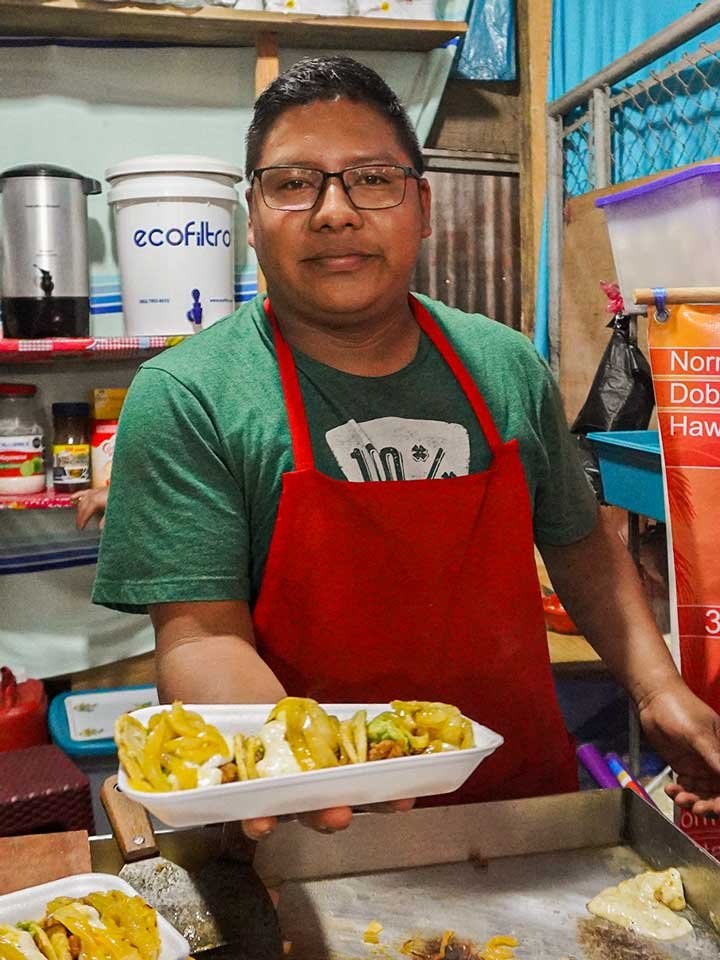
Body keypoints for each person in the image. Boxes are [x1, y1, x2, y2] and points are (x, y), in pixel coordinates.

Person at [93, 56, 720, 834]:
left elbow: (581, 550)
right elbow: (202, 637)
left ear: (422, 206)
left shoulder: (503, 365)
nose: (333, 211)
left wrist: (660, 693)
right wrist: (310, 771)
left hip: (524, 811)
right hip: (308, 824)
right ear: (251, 216)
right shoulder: (189, 395)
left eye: (371, 179)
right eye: (293, 183)